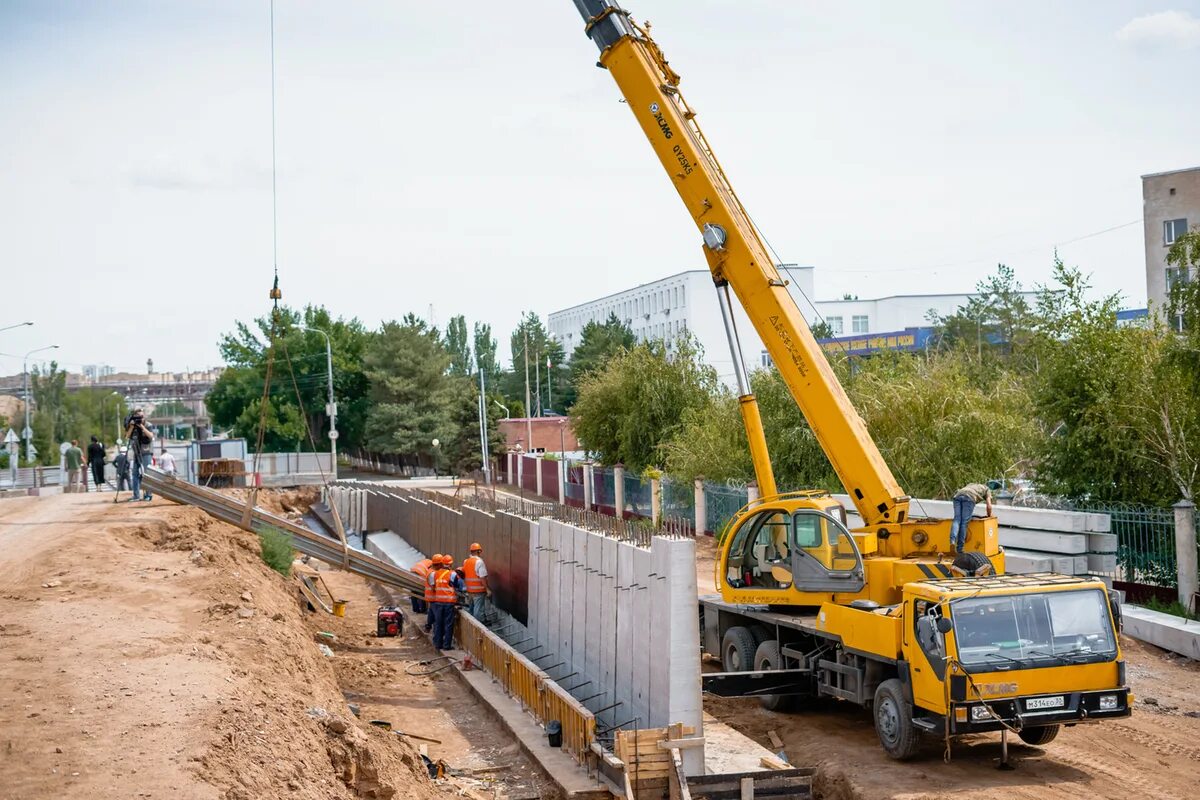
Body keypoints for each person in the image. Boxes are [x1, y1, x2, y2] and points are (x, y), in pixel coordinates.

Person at [429, 554, 464, 651]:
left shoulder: (435, 573)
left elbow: (434, 585)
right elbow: (458, 586)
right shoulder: (452, 574)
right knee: (448, 624)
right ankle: (446, 645)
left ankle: (438, 644)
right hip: (448, 603)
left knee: (438, 623)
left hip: (438, 602)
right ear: (450, 564)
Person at [951, 482, 993, 554]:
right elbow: (989, 506)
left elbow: (962, 491)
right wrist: (989, 515)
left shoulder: (971, 485)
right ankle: (960, 549)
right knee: (964, 523)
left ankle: (952, 541)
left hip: (958, 495)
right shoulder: (987, 489)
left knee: (957, 519)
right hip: (969, 497)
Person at [125, 408, 155, 502]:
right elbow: (127, 437)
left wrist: (142, 427)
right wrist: (131, 426)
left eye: (141, 417)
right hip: (137, 452)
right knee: (135, 474)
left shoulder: (148, 425)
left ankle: (148, 495)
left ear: (144, 416)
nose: (140, 419)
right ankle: (136, 495)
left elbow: (151, 436)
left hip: (146, 452)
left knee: (146, 474)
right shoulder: (133, 425)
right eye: (138, 417)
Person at [462, 543, 491, 619]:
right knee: (478, 612)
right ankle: (476, 628)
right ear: (479, 551)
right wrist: (487, 589)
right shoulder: (479, 562)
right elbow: (482, 577)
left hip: (469, 590)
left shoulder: (466, 561)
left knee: (471, 610)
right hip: (478, 591)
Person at [423, 554, 443, 632]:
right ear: (439, 564)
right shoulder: (433, 574)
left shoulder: (431, 571)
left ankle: (428, 626)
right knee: (436, 617)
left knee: (431, 613)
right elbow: (433, 587)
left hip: (431, 597)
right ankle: (435, 632)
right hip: (433, 597)